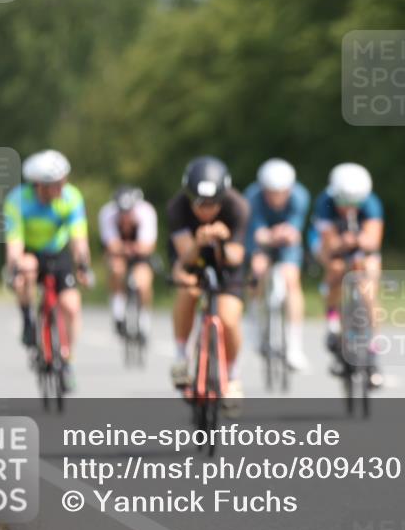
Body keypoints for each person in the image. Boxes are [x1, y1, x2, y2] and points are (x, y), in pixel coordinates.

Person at [4, 150, 92, 392]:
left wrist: (83, 265)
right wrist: (14, 269)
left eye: (64, 181)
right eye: (56, 184)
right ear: (38, 185)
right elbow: (14, 243)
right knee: (25, 270)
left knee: (71, 306)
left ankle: (68, 360)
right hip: (30, 252)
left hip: (58, 251)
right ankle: (28, 319)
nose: (62, 187)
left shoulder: (71, 197)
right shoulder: (18, 200)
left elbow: (78, 238)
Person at [168, 156, 249, 408]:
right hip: (192, 261)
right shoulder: (177, 208)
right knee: (187, 292)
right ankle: (181, 357)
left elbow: (236, 257)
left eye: (213, 204)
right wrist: (198, 242)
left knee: (228, 317)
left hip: (227, 266)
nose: (206, 210)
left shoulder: (237, 206)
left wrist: (222, 242)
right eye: (200, 204)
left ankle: (233, 376)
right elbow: (184, 257)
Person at [312, 163, 384, 385]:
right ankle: (332, 321)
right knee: (334, 269)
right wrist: (343, 243)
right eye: (343, 202)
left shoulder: (371, 203)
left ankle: (372, 345)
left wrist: (359, 240)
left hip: (360, 247)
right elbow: (328, 245)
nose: (348, 208)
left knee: (369, 281)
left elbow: (373, 241)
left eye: (355, 203)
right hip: (332, 245)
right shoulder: (324, 202)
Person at [244, 158, 311, 370]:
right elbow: (256, 232)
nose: (277, 197)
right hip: (260, 240)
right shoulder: (252, 196)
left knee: (291, 280)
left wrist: (286, 234)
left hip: (285, 242)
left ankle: (294, 345)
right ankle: (255, 323)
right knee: (257, 270)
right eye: (272, 192)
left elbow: (294, 230)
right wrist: (267, 237)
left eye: (282, 192)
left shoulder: (300, 196)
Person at [99, 185, 157, 338]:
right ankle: (117, 312)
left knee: (143, 283)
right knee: (116, 270)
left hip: (140, 255)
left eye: (129, 211)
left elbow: (147, 246)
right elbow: (111, 245)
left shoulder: (146, 212)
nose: (125, 215)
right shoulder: (107, 213)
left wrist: (126, 248)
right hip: (119, 253)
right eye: (122, 211)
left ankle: (144, 320)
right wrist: (127, 248)